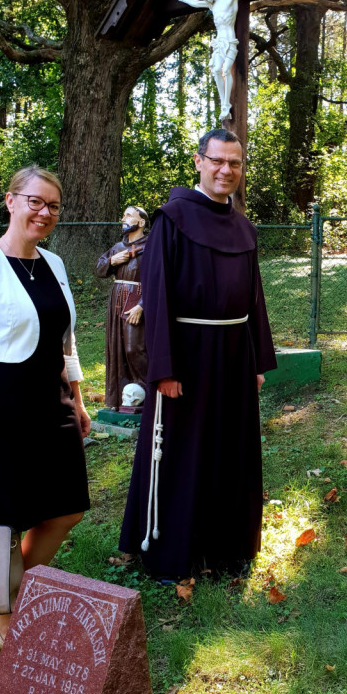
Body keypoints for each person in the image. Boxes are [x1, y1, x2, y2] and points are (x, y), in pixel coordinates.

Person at [119, 129, 277, 579]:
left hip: (233, 356)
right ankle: (173, 551)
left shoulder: (245, 228)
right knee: (182, 453)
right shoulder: (172, 220)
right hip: (185, 357)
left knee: (231, 450)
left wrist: (257, 361)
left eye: (235, 163)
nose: (227, 170)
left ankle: (228, 548)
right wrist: (163, 369)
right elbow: (158, 295)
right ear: (199, 162)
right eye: (218, 161)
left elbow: (254, 299)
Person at [0, 166, 91, 647]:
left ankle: (14, 591)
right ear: (11, 201)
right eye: (35, 201)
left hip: (53, 401)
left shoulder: (54, 264)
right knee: (7, 519)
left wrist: (78, 398)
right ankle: (7, 618)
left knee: (68, 507)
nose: (44, 212)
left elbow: (66, 342)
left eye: (53, 205)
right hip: (3, 406)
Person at [171, 0, 279, 119]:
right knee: (215, 70)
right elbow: (195, 4)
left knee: (226, 69)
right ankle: (225, 105)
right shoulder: (211, 5)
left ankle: (226, 105)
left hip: (230, 41)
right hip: (219, 43)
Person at [95, 206, 149, 411]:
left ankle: (147, 393)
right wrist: (111, 261)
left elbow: (159, 278)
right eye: (124, 215)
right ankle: (120, 398)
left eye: (129, 215)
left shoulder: (151, 246)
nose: (123, 219)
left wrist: (142, 305)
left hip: (136, 299)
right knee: (116, 346)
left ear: (141, 222)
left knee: (134, 347)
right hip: (117, 299)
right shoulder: (118, 247)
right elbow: (99, 270)